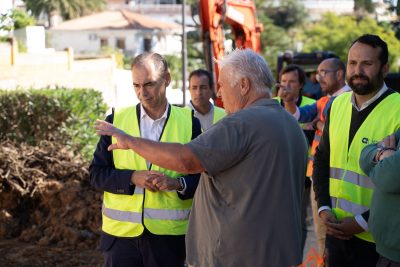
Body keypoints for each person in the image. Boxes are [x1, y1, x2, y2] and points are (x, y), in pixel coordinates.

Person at [95, 49, 308, 267]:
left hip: (238, 256)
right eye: (136, 85)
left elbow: (186, 161)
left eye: (223, 85)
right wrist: (133, 177)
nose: (220, 95)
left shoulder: (241, 124)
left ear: (244, 85)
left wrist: (131, 142)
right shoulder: (291, 125)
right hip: (279, 253)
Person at [89, 52, 202, 267]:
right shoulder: (116, 121)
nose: (143, 93)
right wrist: (132, 177)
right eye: (136, 86)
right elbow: (96, 175)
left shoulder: (190, 124)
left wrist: (177, 184)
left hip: (169, 242)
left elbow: (205, 179)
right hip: (120, 240)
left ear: (167, 79)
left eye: (149, 84)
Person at [313, 34, 400, 267]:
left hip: (378, 242)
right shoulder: (338, 105)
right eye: (352, 63)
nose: (357, 70)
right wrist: (323, 207)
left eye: (367, 64)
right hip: (336, 231)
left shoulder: (398, 109)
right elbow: (322, 158)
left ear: (384, 69)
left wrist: (363, 222)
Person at [278, 57, 350, 256]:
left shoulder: (350, 100)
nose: (319, 78)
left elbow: (343, 134)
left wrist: (319, 125)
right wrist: (290, 100)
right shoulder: (323, 101)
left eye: (323, 73)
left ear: (339, 74)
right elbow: (299, 115)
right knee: (322, 236)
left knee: (333, 237)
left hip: (339, 179)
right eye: (318, 74)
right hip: (320, 176)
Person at [276, 64, 316, 252]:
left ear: (301, 84)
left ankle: (295, 259)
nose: (286, 86)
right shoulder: (271, 104)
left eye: (292, 82)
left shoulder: (311, 105)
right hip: (275, 174)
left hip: (302, 177)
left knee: (298, 221)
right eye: (283, 81)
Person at [360, 130, 400, 267]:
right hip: (386, 251)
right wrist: (381, 154)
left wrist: (385, 157)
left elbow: (389, 176)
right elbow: (364, 155)